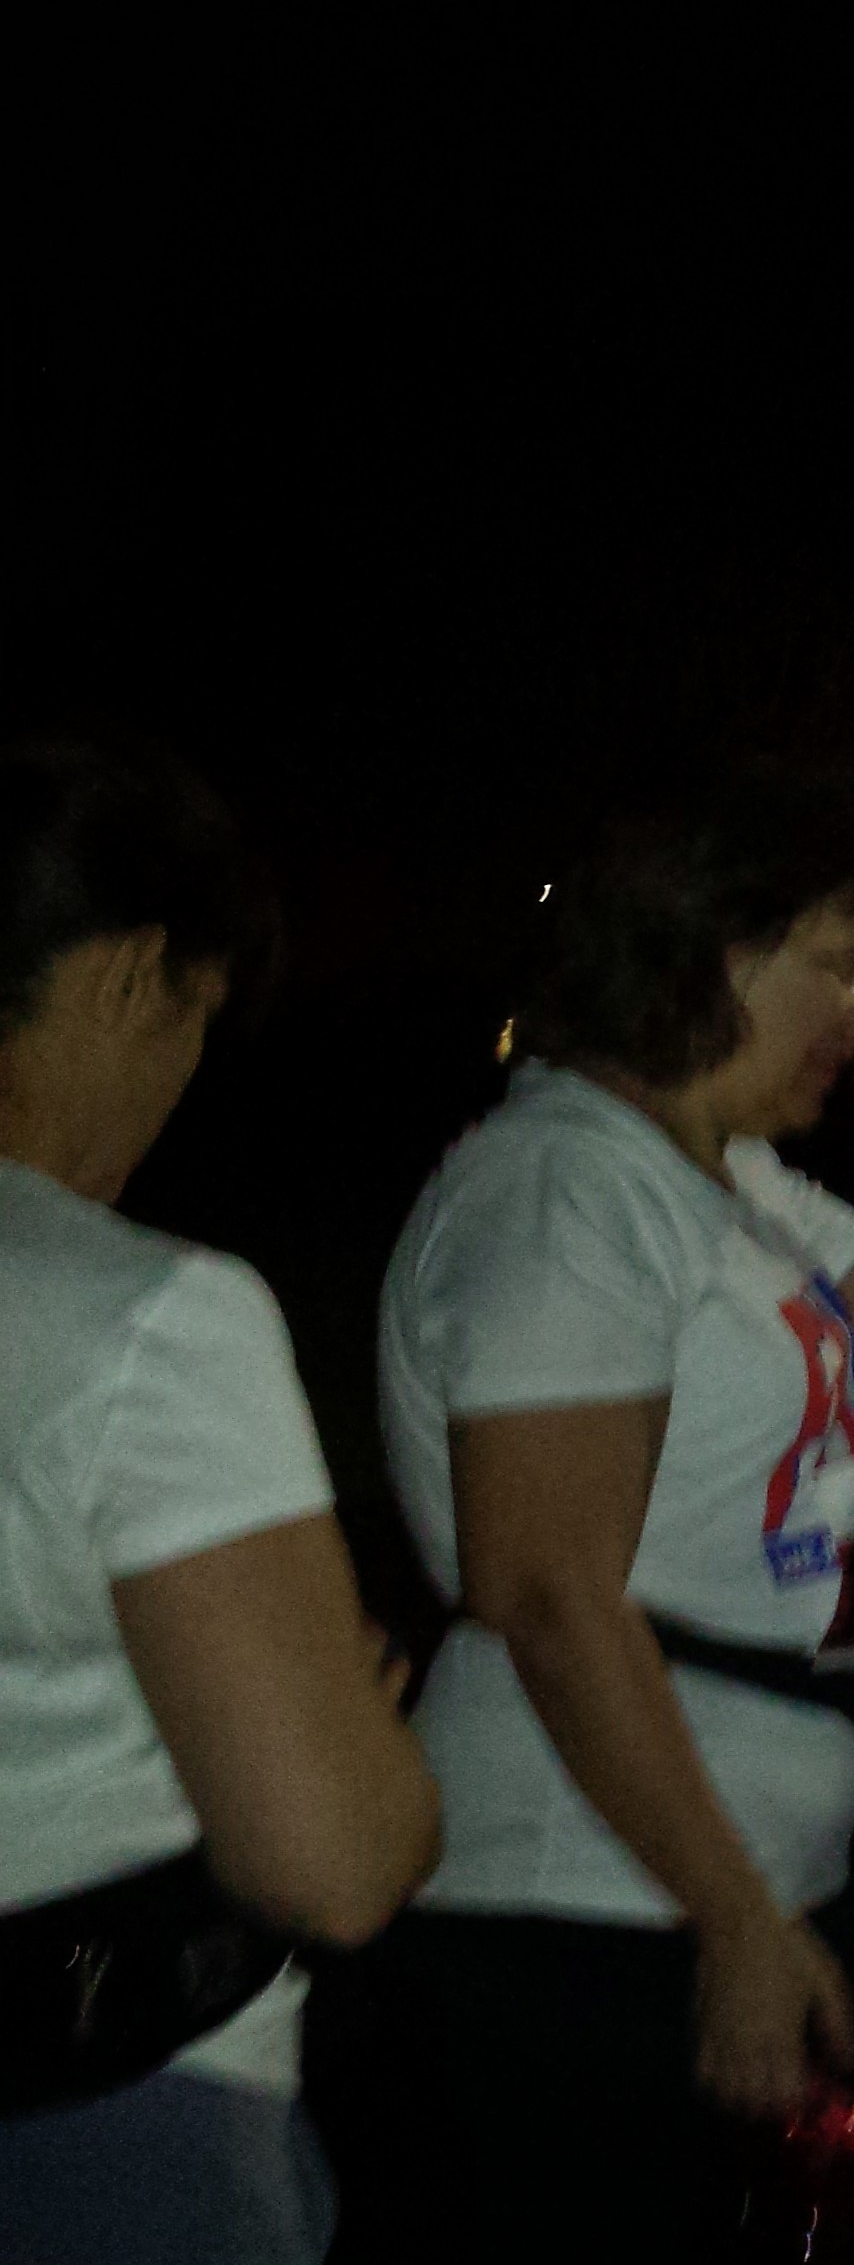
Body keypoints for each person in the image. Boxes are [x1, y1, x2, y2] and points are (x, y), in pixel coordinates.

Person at [367, 760, 854, 2258]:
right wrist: (732, 1915)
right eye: (843, 962)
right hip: (582, 1905)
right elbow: (548, 1587)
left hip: (691, 1889)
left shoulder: (717, 1177)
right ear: (708, 948)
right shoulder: (568, 1186)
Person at [0, 738, 440, 2263]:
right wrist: (354, 1724)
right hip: (107, 2120)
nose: (182, 1084)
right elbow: (337, 1863)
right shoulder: (150, 1313)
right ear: (132, 973)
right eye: (193, 1018)